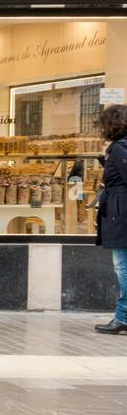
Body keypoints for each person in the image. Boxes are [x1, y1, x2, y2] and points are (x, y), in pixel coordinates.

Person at [94, 104, 127, 333]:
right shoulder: (119, 148)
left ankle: (123, 317)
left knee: (122, 267)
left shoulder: (120, 148)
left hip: (121, 214)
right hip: (120, 210)